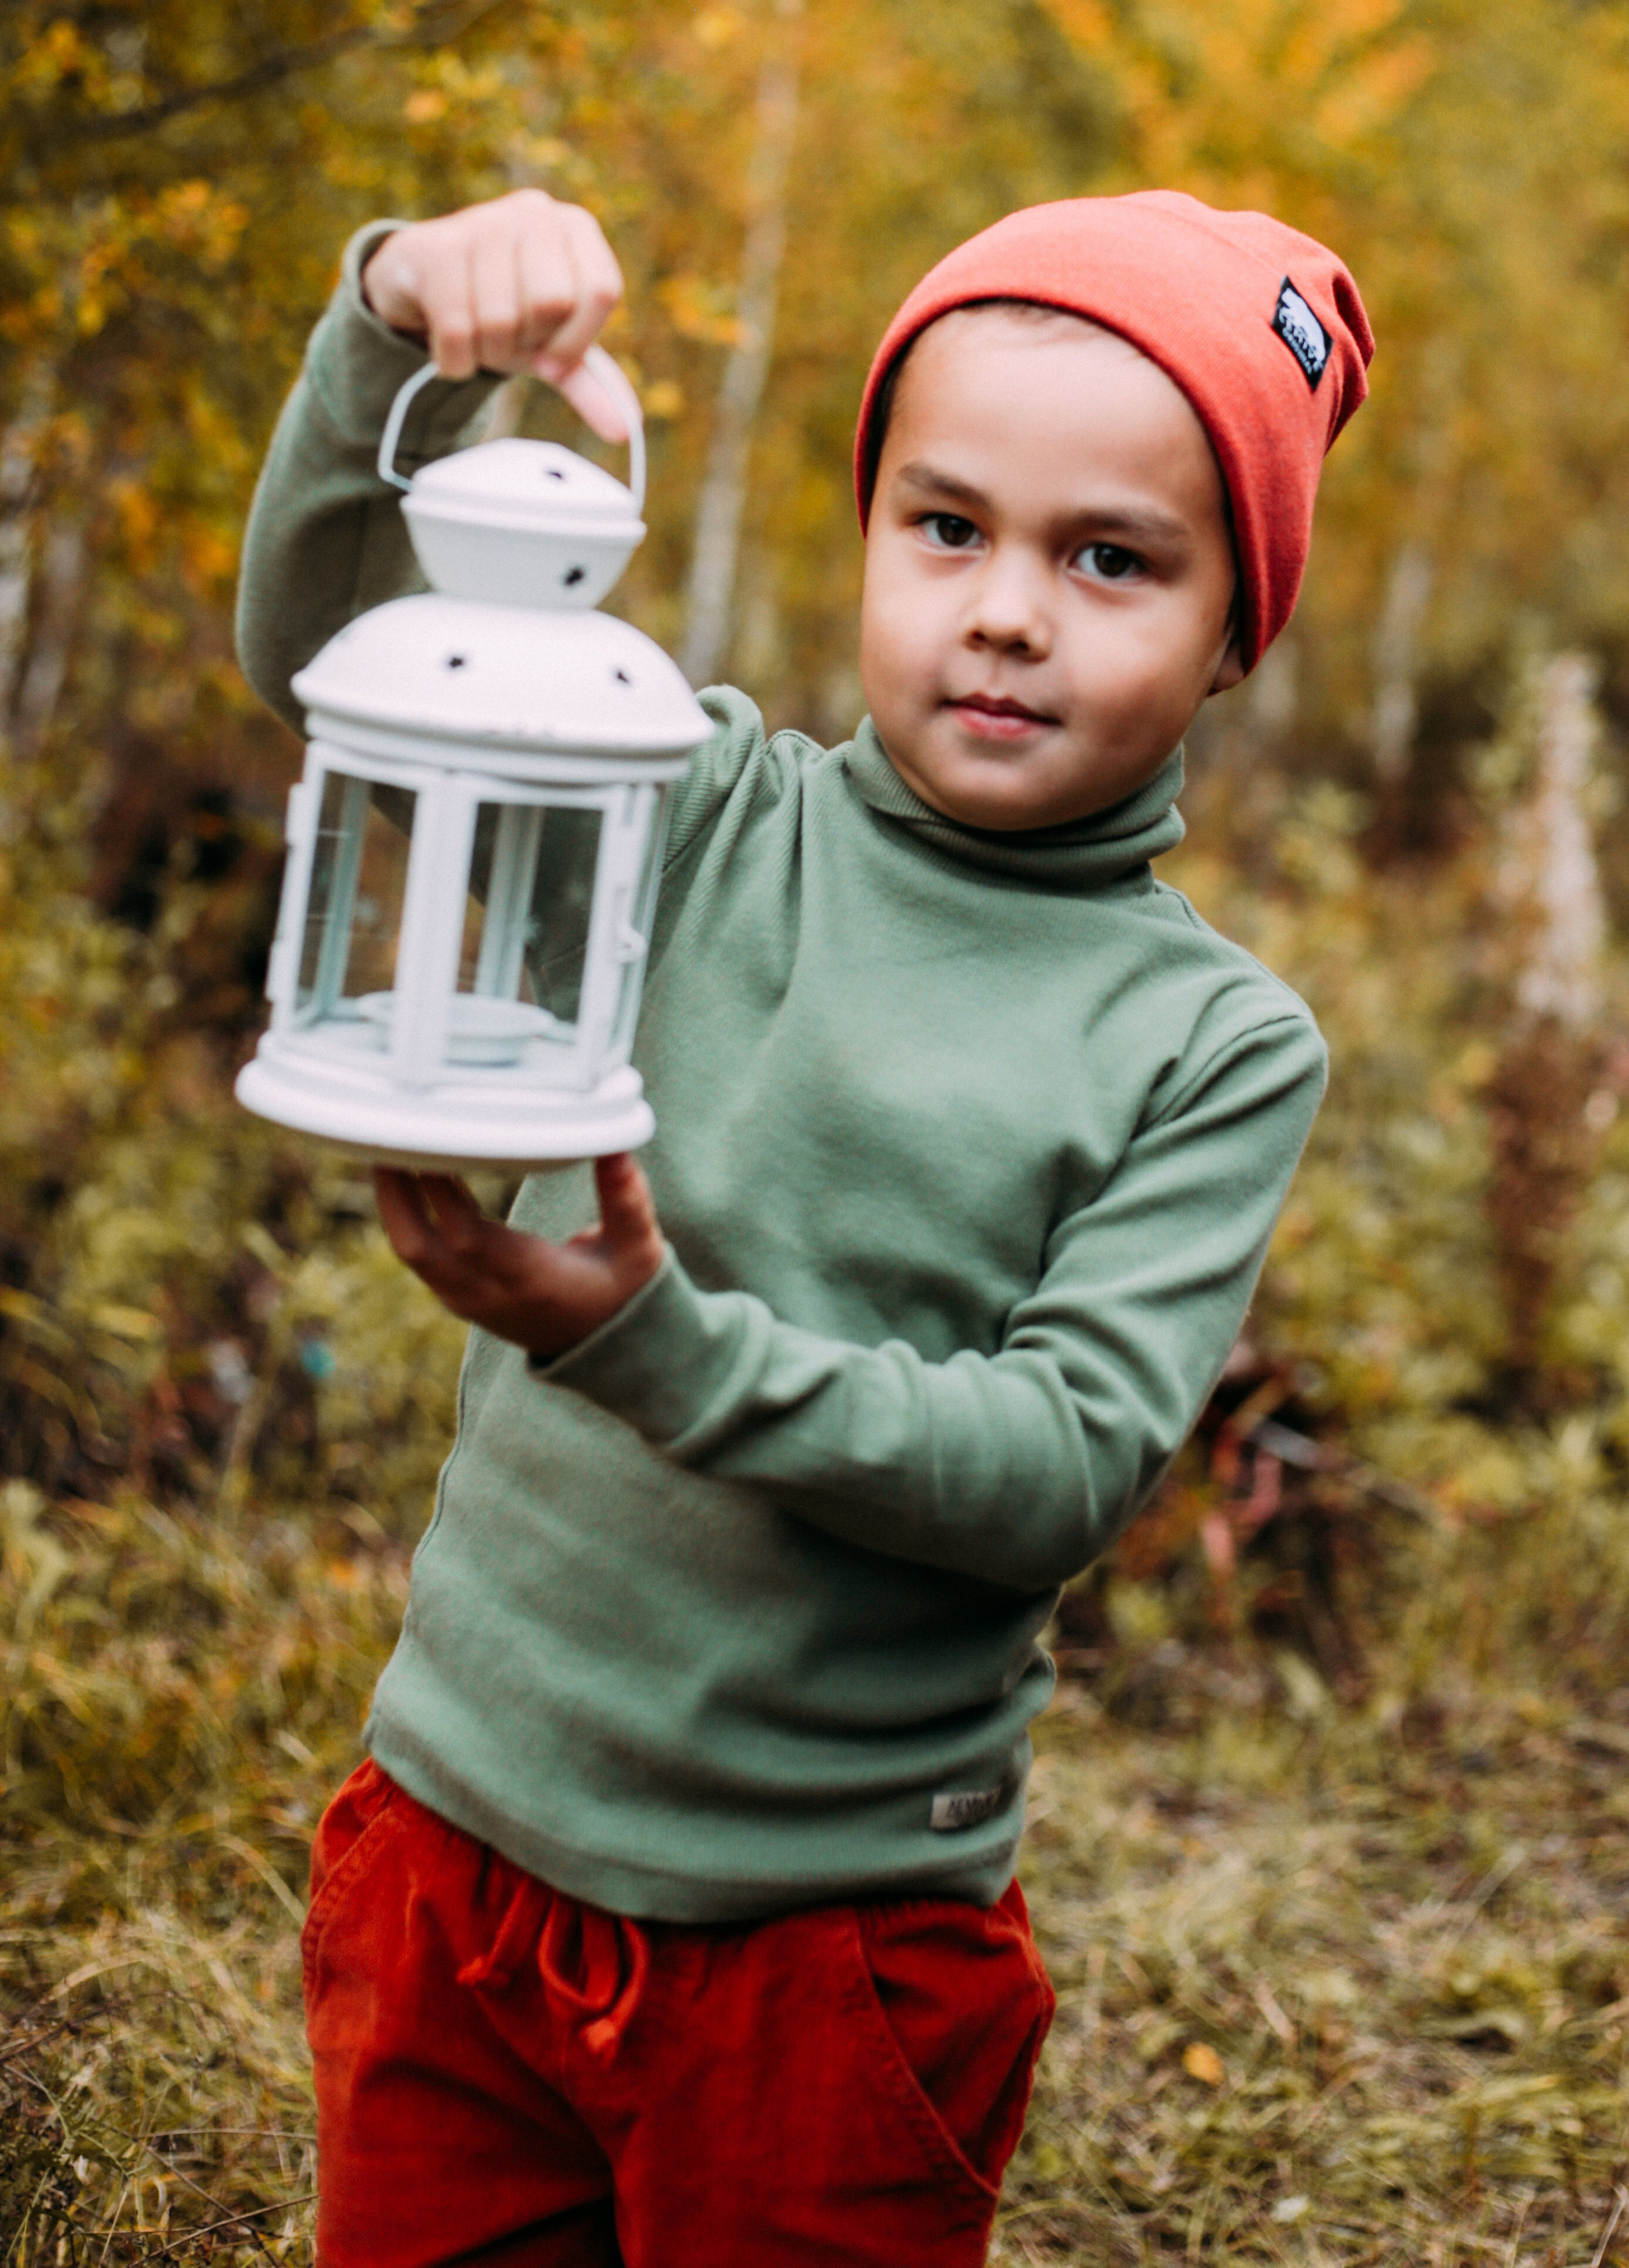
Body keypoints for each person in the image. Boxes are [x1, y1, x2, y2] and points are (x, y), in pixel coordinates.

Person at [236, 183, 1371, 2267]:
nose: (1008, 610)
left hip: (825, 1953)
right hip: (452, 1860)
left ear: (1237, 631)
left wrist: (639, 1338)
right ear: (870, 536)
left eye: (1110, 559)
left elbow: (1052, 1470)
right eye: (947, 528)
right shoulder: (689, 802)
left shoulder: (1208, 1040)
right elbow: (335, 664)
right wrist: (395, 317)